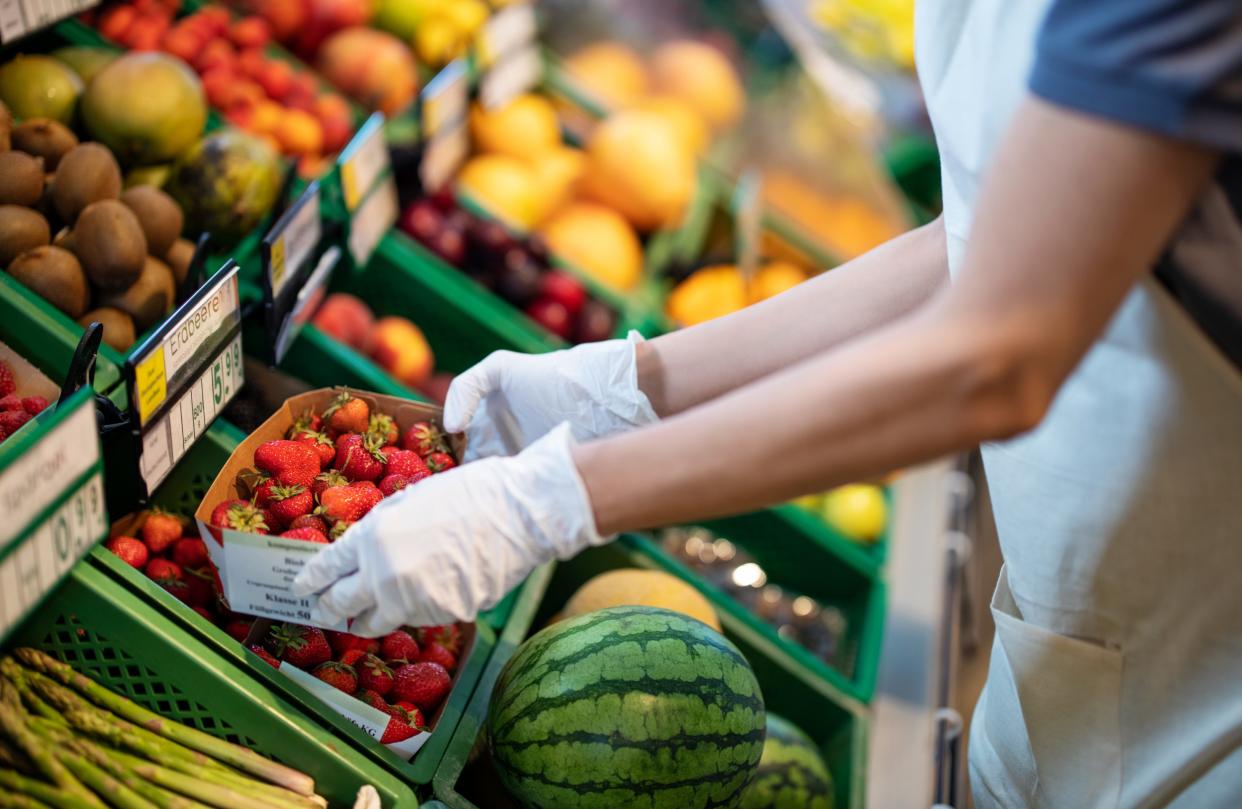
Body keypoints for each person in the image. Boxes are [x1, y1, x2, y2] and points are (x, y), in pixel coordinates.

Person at [295, 0, 1242, 804]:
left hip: (1188, 676)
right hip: (1075, 630)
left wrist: (557, 498)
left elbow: (997, 352)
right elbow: (988, 232)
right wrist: (631, 384)